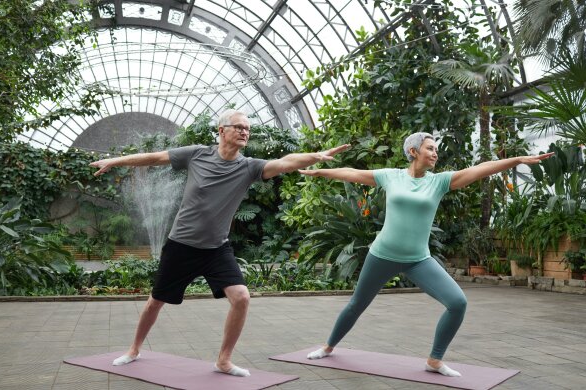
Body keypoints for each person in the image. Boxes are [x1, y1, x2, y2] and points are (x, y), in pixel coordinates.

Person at [90, 109, 350, 377]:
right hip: (181, 245)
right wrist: (117, 161)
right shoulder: (197, 154)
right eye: (238, 127)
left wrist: (316, 156)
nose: (244, 132)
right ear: (221, 130)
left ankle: (223, 360)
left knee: (241, 298)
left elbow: (284, 162)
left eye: (247, 129)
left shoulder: (249, 167)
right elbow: (155, 158)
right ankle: (133, 350)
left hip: (216, 249)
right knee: (155, 301)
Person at [300, 132, 553, 377]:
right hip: (382, 255)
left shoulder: (439, 181)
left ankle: (435, 359)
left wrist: (516, 160)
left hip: (418, 260)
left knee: (457, 303)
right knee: (357, 304)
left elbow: (480, 169)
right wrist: (321, 171)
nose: (435, 153)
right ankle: (328, 347)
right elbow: (353, 174)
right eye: (430, 148)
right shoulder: (391, 176)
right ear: (413, 152)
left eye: (436, 149)